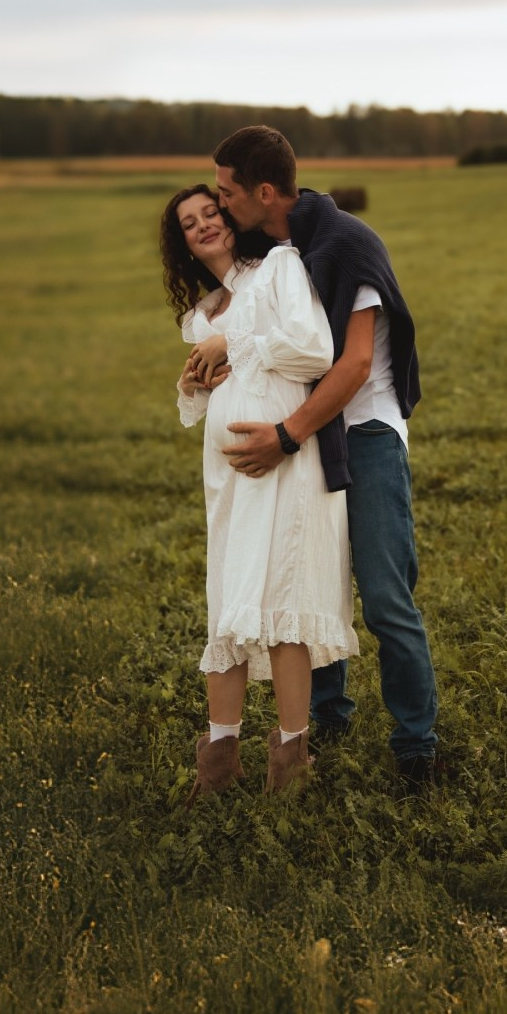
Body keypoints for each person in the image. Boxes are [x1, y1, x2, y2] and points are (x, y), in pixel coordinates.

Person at [210, 125, 440, 783]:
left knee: (385, 593)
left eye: (226, 192)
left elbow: (356, 362)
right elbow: (254, 331)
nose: (220, 204)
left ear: (262, 191)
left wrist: (285, 434)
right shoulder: (270, 250)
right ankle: (329, 711)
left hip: (363, 432)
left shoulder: (346, 243)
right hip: (310, 427)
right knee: (314, 576)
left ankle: (417, 745)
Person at [159, 184, 358, 798]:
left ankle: (290, 766)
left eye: (210, 212)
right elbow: (222, 389)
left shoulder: (277, 269)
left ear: (229, 217)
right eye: (189, 223)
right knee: (230, 601)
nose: (203, 226)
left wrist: (234, 346)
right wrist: (198, 380)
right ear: (183, 244)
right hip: (229, 478)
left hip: (285, 461)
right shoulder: (202, 313)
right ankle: (218, 764)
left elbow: (313, 350)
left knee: (283, 600)